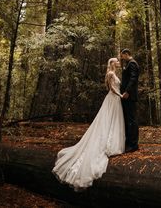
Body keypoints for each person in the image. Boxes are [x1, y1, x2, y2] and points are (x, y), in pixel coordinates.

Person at [51, 58, 125, 191]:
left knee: (114, 121)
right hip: (112, 100)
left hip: (116, 101)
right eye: (117, 61)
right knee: (107, 121)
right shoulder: (110, 74)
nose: (119, 63)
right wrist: (120, 95)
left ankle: (113, 142)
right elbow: (112, 89)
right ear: (112, 63)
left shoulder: (115, 74)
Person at [120, 48, 139, 153]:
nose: (121, 58)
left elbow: (133, 78)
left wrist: (127, 91)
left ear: (126, 54)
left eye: (122, 56)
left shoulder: (132, 64)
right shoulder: (129, 64)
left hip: (130, 96)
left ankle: (133, 145)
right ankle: (129, 142)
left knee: (132, 120)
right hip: (126, 96)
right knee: (128, 119)